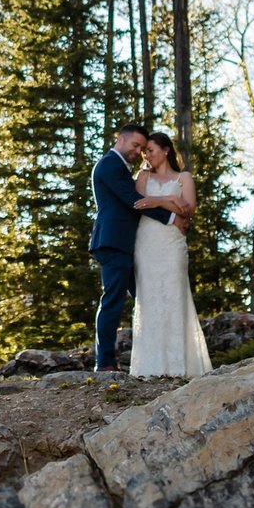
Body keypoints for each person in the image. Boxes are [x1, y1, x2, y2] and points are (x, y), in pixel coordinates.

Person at [88, 121, 173, 373]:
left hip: (125, 243)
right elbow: (133, 201)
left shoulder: (120, 167)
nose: (138, 152)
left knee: (144, 298)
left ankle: (155, 357)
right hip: (113, 241)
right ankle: (104, 362)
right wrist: (171, 218)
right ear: (120, 139)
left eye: (142, 148)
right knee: (113, 301)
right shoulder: (110, 165)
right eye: (135, 145)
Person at [129, 130, 212, 379]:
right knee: (149, 296)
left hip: (172, 243)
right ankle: (149, 367)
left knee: (175, 295)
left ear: (166, 150)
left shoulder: (184, 177)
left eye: (151, 150)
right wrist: (169, 200)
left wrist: (159, 200)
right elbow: (139, 203)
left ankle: (179, 366)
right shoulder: (143, 176)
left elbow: (188, 208)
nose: (146, 155)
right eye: (144, 152)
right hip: (147, 242)